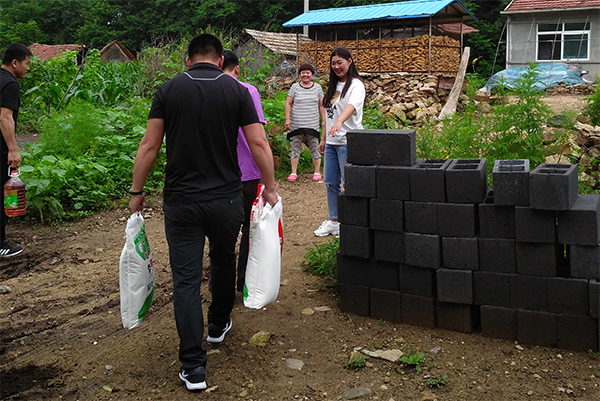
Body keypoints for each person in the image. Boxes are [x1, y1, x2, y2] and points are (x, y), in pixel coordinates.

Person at [128, 34, 277, 392]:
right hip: (226, 199)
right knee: (224, 260)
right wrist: (270, 187)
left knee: (186, 280)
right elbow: (258, 142)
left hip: (181, 202)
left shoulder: (167, 90)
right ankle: (218, 324)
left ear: (187, 59)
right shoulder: (237, 91)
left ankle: (194, 366)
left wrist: (136, 192)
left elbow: (149, 145)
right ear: (221, 58)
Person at [221, 50, 265, 293]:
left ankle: (221, 283)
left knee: (222, 231)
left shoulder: (208, 91)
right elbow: (258, 138)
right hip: (248, 171)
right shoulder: (248, 90)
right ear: (237, 68)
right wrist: (269, 179)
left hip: (219, 173)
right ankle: (244, 281)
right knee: (250, 228)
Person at [314, 47, 365, 237]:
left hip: (348, 141)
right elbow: (328, 116)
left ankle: (351, 222)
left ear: (350, 61)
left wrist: (340, 121)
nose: (336, 67)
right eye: (333, 63)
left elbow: (351, 106)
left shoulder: (356, 85)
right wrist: (324, 138)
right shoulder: (333, 85)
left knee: (349, 183)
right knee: (330, 183)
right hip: (331, 143)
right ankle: (334, 221)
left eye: (340, 63)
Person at [0, 43, 31, 258]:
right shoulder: (10, 83)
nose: (27, 68)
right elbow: (5, 118)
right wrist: (13, 149)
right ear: (14, 63)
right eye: (26, 63)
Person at [284, 63, 325, 183]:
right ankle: (293, 172)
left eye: (308, 72)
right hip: (297, 122)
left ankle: (317, 171)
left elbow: (321, 105)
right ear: (299, 74)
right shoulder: (294, 87)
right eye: (303, 72)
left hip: (312, 122)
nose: (305, 75)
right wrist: (287, 119)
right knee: (295, 146)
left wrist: (324, 120)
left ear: (312, 74)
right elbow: (288, 103)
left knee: (314, 146)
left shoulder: (318, 88)